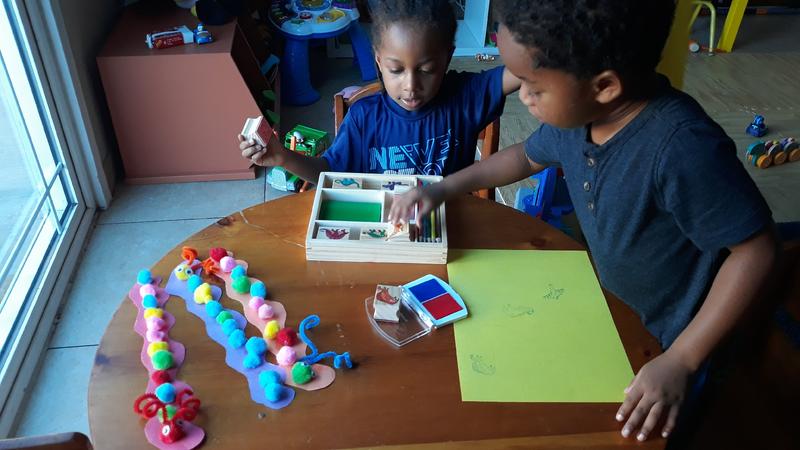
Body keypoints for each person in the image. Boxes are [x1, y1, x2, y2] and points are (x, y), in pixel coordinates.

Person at [388, 0, 778, 442]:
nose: (523, 98)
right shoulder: (579, 115)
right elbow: (525, 157)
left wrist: (683, 360)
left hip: (683, 340)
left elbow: (756, 250)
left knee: (662, 431)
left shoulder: (683, 148)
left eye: (533, 87)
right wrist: (442, 188)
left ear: (604, 86)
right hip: (615, 311)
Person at [239, 0, 520, 182]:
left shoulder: (465, 96)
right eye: (396, 70)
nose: (410, 86)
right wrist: (282, 157)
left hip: (450, 230)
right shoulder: (363, 117)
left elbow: (524, 70)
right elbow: (329, 172)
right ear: (378, 61)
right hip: (383, 235)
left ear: (447, 59)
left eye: (426, 69)